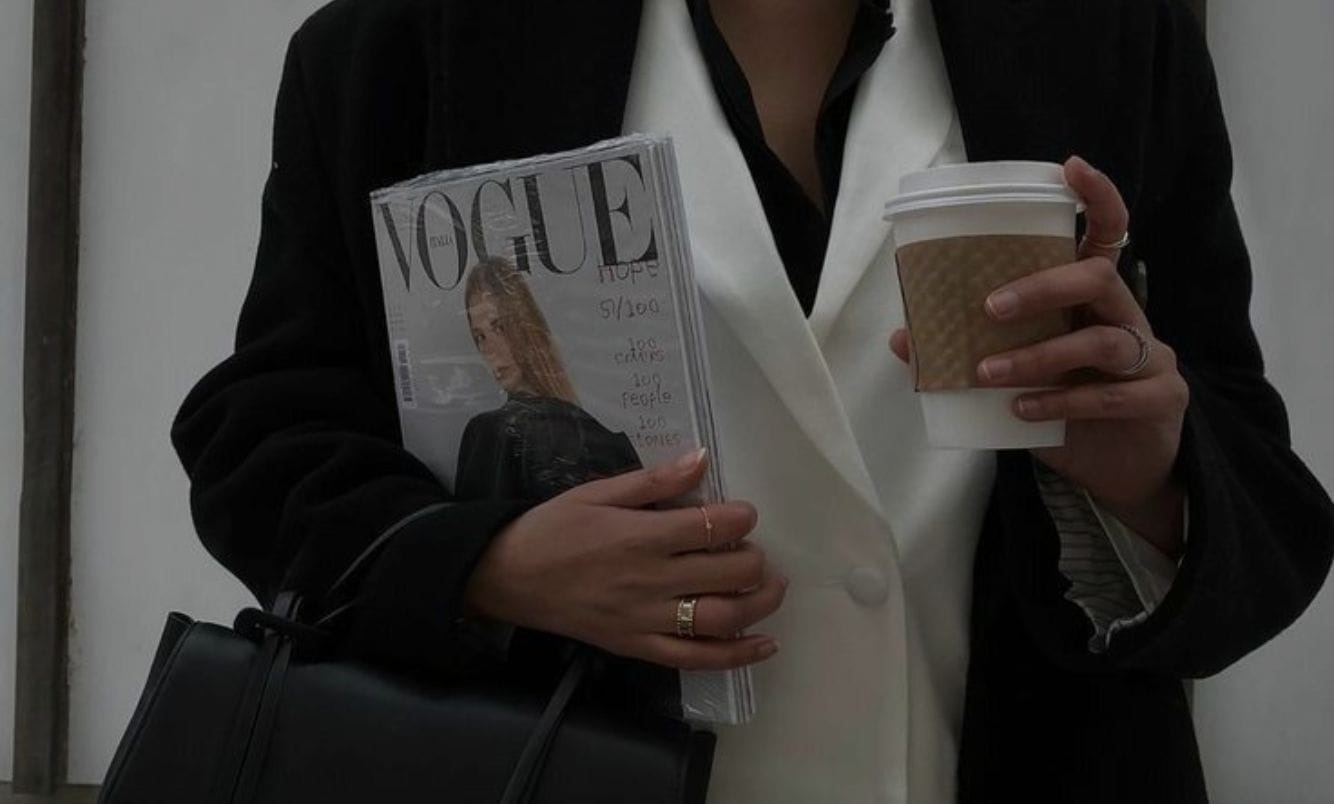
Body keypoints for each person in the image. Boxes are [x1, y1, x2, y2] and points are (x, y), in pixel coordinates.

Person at [170, 0, 1334, 801]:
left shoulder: (1109, 41)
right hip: (553, 775)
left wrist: (1145, 480)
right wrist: (485, 566)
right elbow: (263, 437)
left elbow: (1264, 518)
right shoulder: (406, 42)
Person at [454, 255, 643, 501]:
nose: (491, 351)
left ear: (527, 325)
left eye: (500, 327)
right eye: (480, 336)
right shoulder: (491, 433)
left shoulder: (490, 434)